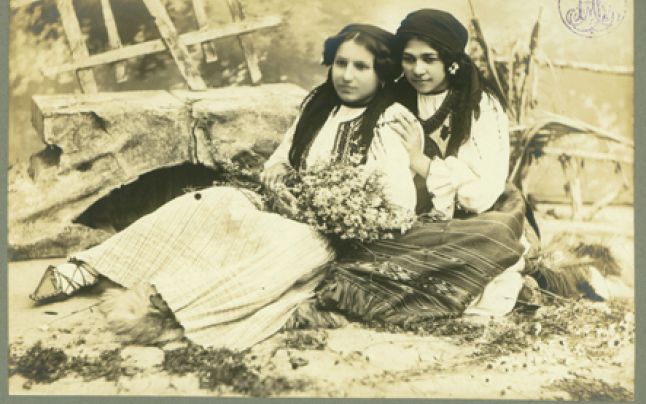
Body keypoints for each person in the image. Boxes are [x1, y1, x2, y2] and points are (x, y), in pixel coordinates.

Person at [29, 24, 419, 350]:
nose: (347, 76)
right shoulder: (319, 103)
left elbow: (398, 203)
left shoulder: (389, 119)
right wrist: (277, 172)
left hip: (329, 232)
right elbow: (283, 156)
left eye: (361, 67)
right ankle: (90, 265)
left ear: (382, 73)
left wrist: (334, 210)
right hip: (283, 205)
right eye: (341, 63)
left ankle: (174, 303)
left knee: (290, 243)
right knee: (211, 201)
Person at [315, 9, 535, 325]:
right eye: (409, 59)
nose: (417, 70)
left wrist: (421, 162)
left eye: (429, 59)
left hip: (474, 214)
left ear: (451, 60)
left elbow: (482, 194)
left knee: (494, 235)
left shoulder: (480, 106)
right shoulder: (394, 99)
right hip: (412, 218)